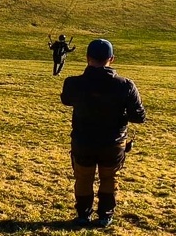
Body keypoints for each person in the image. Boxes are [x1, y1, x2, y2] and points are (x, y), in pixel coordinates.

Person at [60, 39, 146, 228]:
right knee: (109, 178)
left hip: (83, 141)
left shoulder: (73, 83)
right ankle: (105, 215)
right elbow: (139, 116)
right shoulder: (126, 85)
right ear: (111, 59)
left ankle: (83, 215)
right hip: (113, 144)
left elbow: (66, 100)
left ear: (87, 58)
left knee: (83, 178)